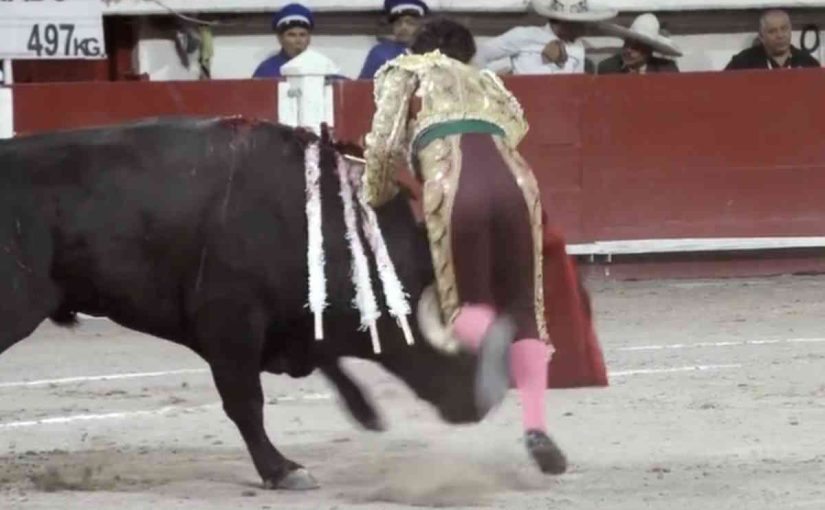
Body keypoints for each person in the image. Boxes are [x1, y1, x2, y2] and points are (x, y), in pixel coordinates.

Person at [362, 17, 567, 474]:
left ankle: (486, 336)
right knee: (525, 308)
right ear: (468, 52)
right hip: (517, 184)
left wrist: (375, 195)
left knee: (466, 305)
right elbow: (515, 132)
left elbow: (383, 147)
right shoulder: (487, 80)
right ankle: (535, 425)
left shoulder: (405, 71)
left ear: (419, 47)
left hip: (454, 182)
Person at [474, 0, 616, 75]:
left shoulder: (578, 47)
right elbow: (480, 54)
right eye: (580, 23)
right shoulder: (525, 35)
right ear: (564, 22)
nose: (584, 27)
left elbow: (575, 84)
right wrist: (492, 80)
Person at [725, 9, 820, 70]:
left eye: (784, 29)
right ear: (762, 37)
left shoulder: (808, 63)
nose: (780, 35)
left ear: (791, 30)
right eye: (772, 31)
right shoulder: (742, 63)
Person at [359, 0, 429, 79]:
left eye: (410, 22)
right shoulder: (380, 54)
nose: (403, 28)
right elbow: (362, 87)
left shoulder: (432, 54)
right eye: (398, 23)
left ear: (420, 26)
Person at [598, 13, 681, 74]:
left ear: (649, 50)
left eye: (636, 46)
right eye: (627, 43)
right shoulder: (608, 68)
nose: (628, 50)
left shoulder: (666, 70)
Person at [253, 3, 315, 78]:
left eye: (302, 35)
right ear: (280, 38)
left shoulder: (323, 67)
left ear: (309, 38)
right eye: (292, 35)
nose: (298, 40)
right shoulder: (266, 70)